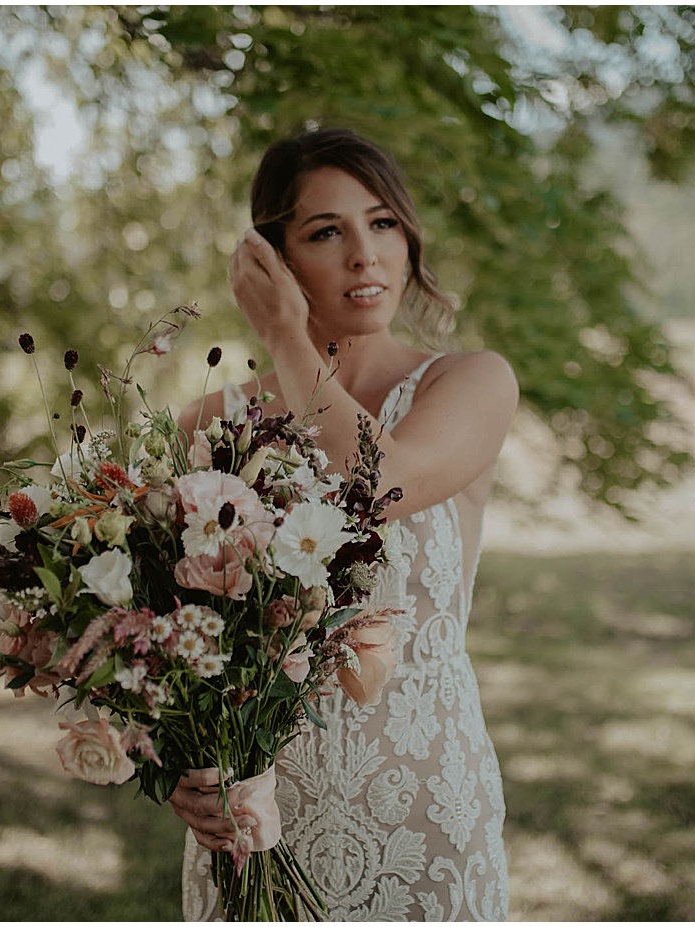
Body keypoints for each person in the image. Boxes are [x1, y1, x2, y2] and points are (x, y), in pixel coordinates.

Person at [169, 127, 517, 920]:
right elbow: (164, 643)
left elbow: (379, 482)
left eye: (383, 222)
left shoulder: (470, 383)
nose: (366, 253)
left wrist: (285, 338)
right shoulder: (204, 427)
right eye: (327, 232)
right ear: (275, 262)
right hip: (256, 830)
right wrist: (181, 772)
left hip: (425, 824)